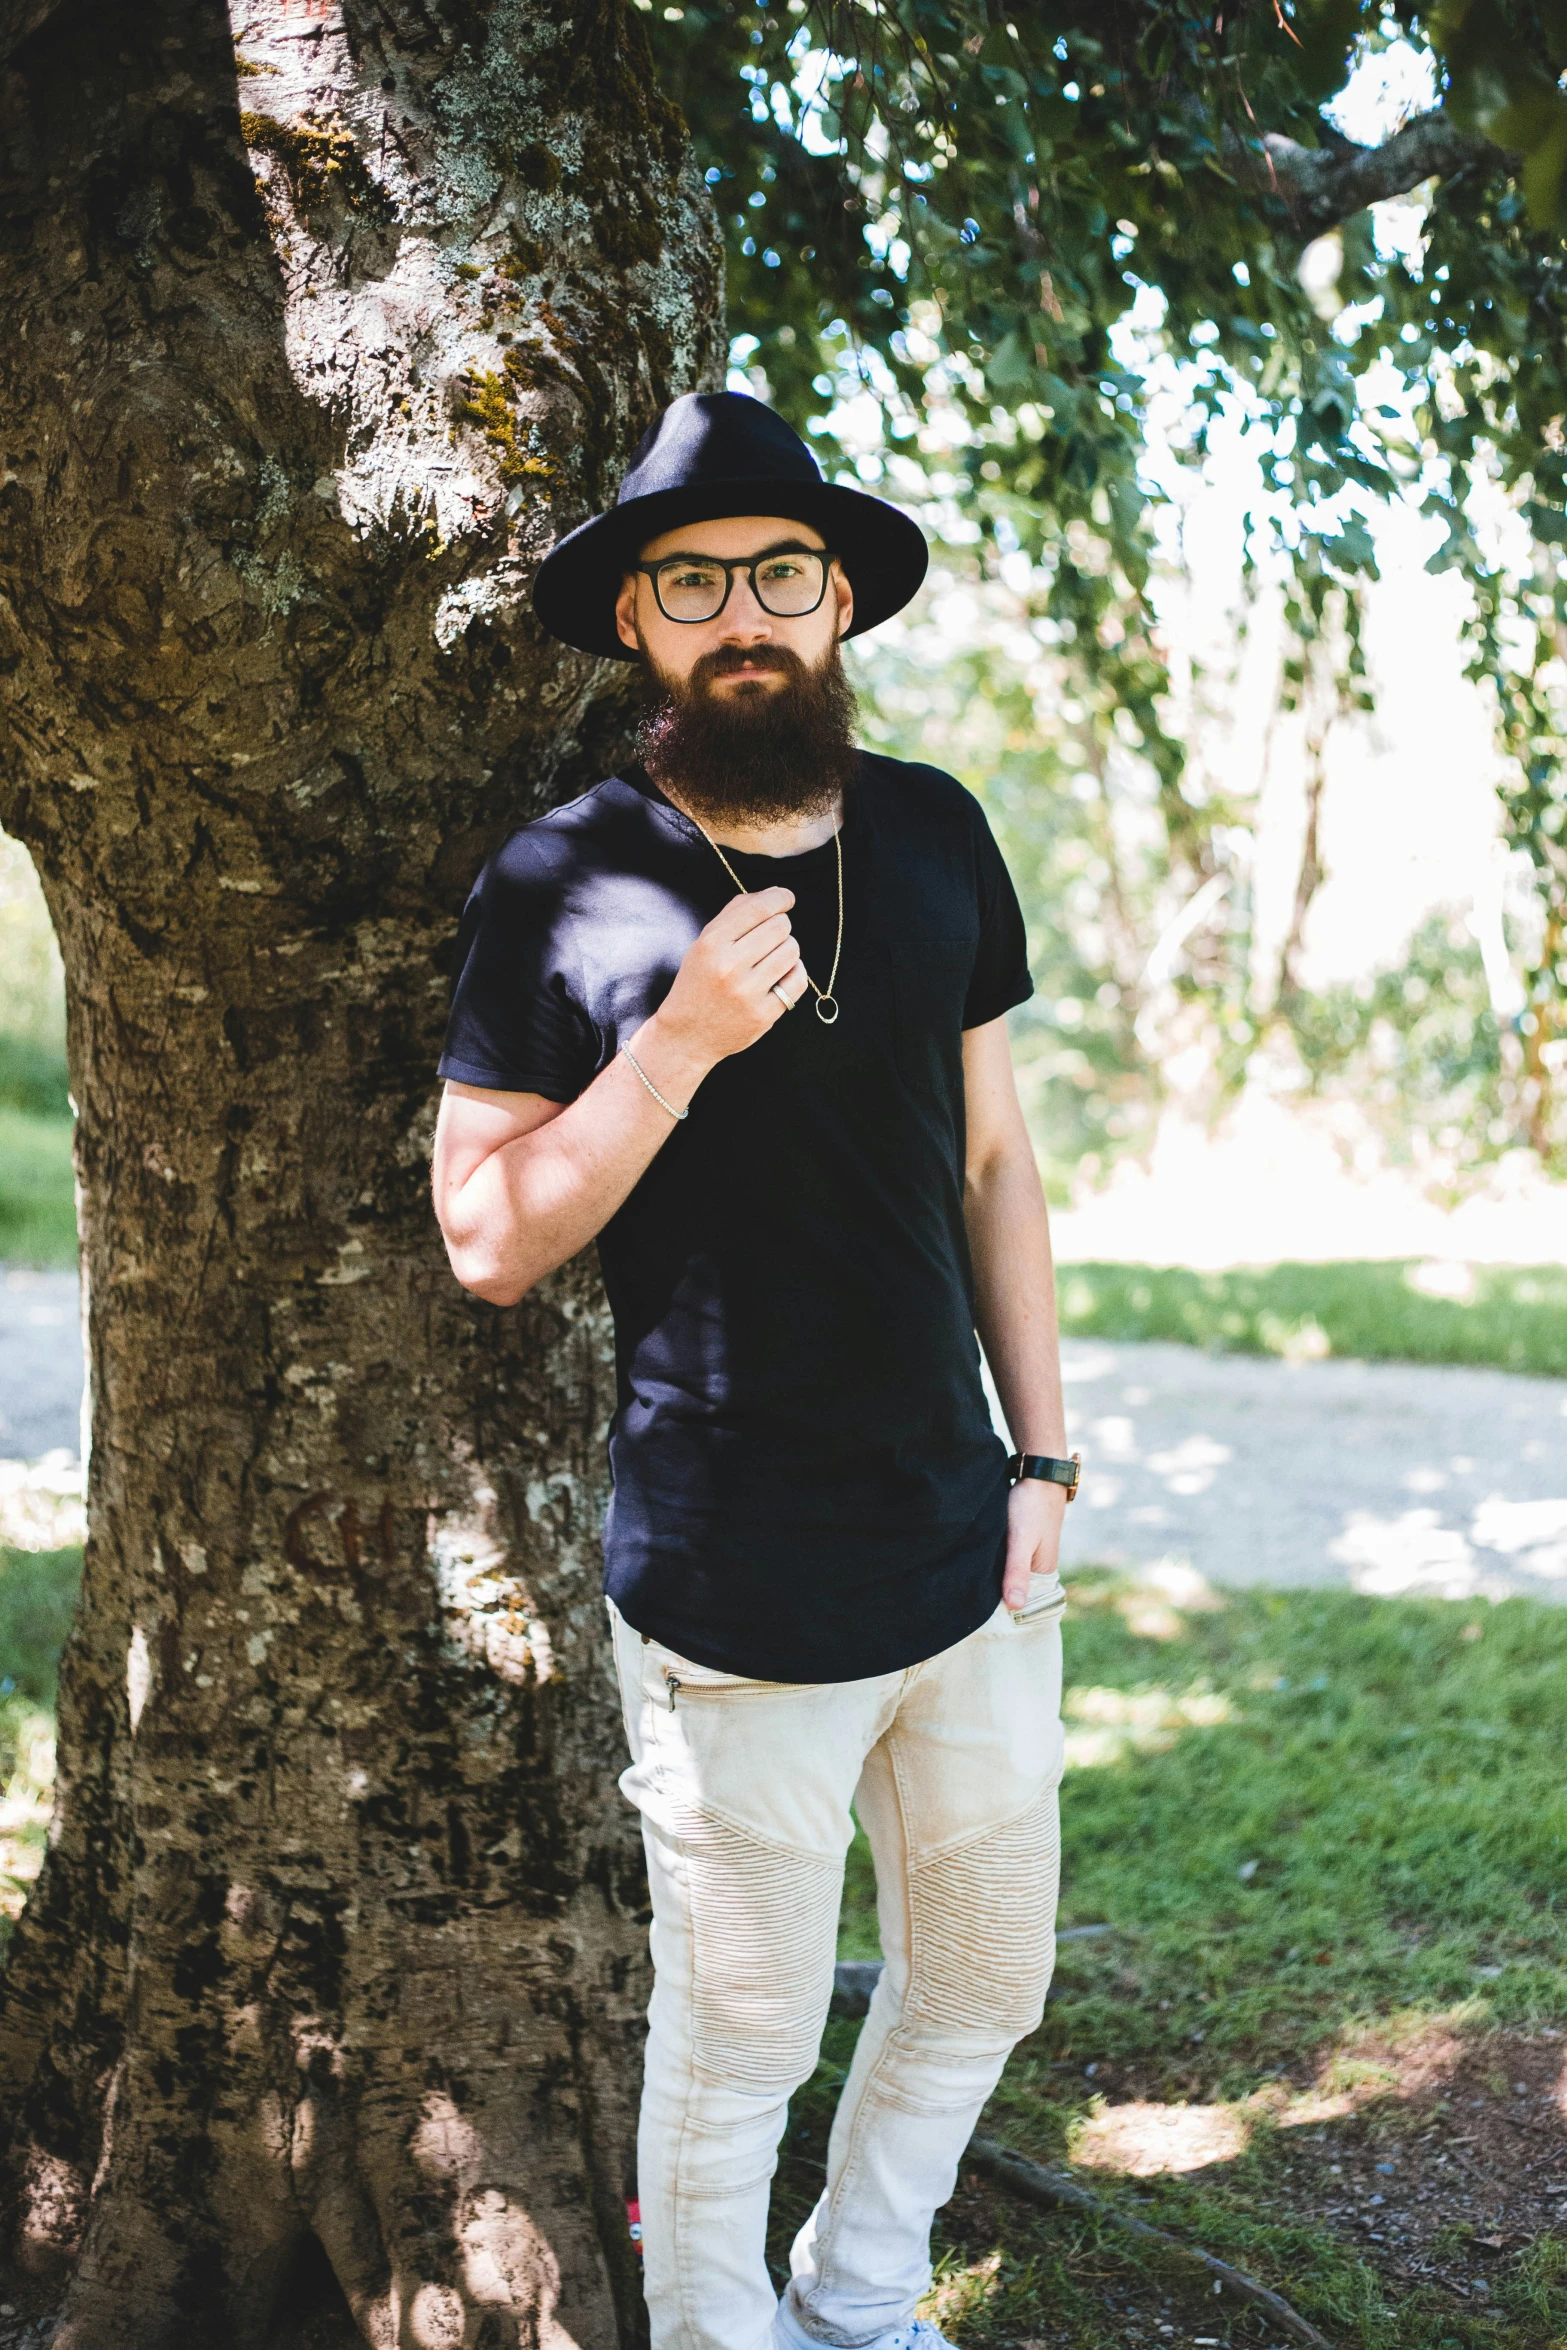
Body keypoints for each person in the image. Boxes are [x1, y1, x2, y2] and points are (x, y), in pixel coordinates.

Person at [431, 391, 1077, 2350]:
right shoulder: (565, 876)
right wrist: (682, 1041)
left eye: (776, 576)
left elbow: (994, 1161)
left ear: (836, 604)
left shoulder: (940, 830)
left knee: (983, 1982)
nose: (743, 616)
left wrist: (1042, 1454)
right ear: (637, 623)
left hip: (970, 1552)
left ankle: (858, 2302)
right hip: (734, 1589)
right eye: (692, 582)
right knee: (739, 2045)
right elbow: (487, 1233)